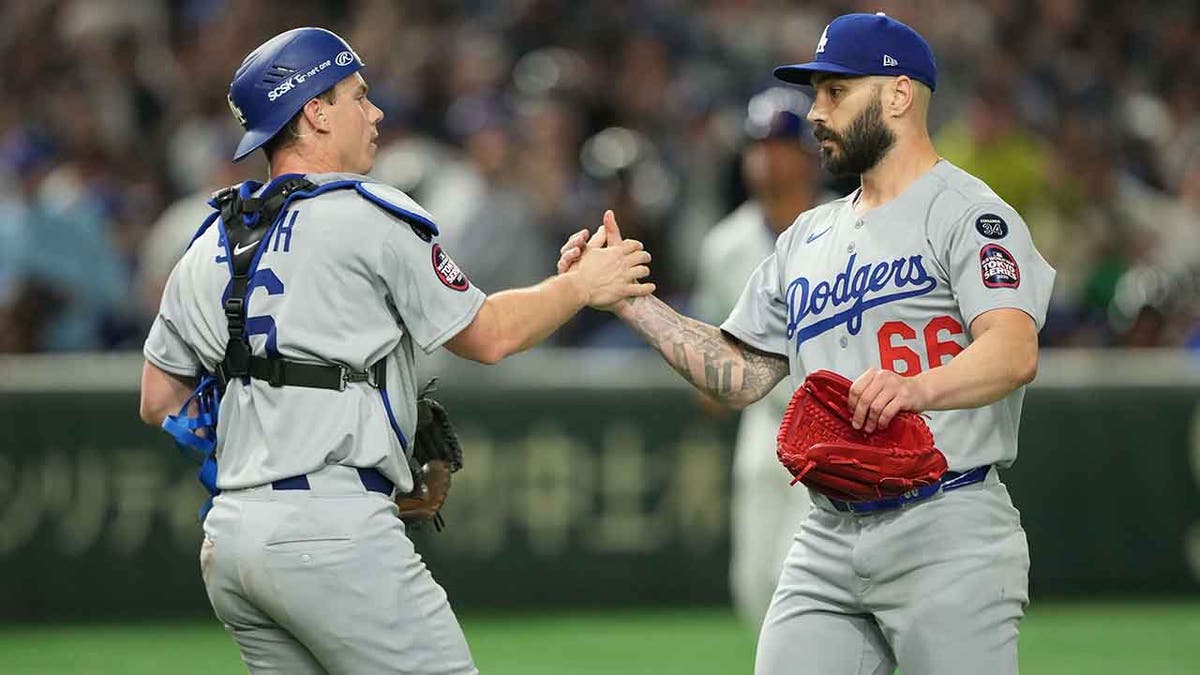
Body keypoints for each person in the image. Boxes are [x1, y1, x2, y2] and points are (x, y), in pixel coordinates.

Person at [137, 27, 652, 675]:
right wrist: (579, 285)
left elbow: (158, 398)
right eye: (358, 95)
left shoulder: (207, 240)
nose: (376, 111)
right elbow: (487, 334)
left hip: (232, 541)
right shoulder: (367, 214)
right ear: (316, 113)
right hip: (334, 533)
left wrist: (272, 439)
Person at [560, 13, 1054, 675]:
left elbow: (1013, 349)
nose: (816, 112)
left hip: (947, 523)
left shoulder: (969, 213)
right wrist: (631, 302)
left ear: (899, 95)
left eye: (835, 92)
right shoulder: (807, 238)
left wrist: (918, 386)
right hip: (827, 531)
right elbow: (737, 374)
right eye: (816, 93)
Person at [690, 86, 822, 629]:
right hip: (762, 425)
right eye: (757, 146)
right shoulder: (724, 244)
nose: (766, 159)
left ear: (807, 155)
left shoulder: (840, 228)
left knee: (794, 580)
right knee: (751, 586)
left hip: (826, 426)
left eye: (780, 145)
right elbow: (712, 338)